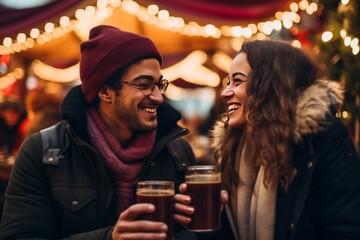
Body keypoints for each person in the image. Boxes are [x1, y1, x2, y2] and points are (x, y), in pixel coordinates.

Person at [0, 25, 198, 240]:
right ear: (105, 91)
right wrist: (109, 237)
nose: (159, 97)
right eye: (144, 84)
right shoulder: (43, 152)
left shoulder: (177, 152)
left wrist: (207, 219)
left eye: (160, 85)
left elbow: (196, 233)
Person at [174, 39, 360, 240]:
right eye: (228, 82)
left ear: (269, 85)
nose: (225, 93)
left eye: (237, 81)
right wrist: (208, 222)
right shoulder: (232, 149)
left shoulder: (321, 138)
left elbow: (346, 229)